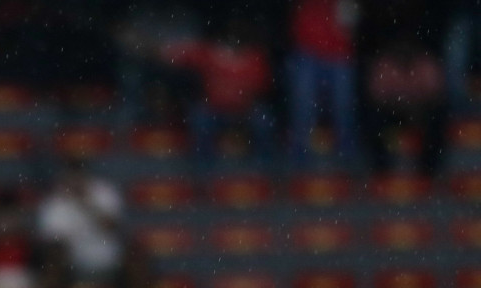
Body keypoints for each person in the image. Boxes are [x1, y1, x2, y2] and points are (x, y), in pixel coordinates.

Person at [35, 157, 153, 288]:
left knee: (138, 261)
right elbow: (51, 243)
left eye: (78, 176)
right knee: (50, 270)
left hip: (109, 256)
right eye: (71, 177)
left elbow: (114, 226)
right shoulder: (54, 203)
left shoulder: (104, 192)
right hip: (72, 261)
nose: (75, 181)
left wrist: (86, 203)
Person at [162, 20, 275, 162]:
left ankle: (263, 168)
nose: (235, 40)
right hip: (214, 110)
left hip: (246, 111)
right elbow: (175, 54)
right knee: (199, 120)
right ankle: (203, 170)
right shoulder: (210, 53)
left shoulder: (256, 57)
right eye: (232, 36)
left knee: (265, 122)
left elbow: (263, 88)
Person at [286, 0, 359, 163]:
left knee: (343, 109)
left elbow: (350, 22)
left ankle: (346, 161)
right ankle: (299, 160)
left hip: (339, 54)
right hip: (308, 51)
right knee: (304, 109)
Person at [366, 36, 448, 177]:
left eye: (408, 46)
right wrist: (400, 107)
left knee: (438, 121)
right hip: (392, 114)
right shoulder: (385, 63)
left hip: (420, 114)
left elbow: (436, 96)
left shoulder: (425, 62)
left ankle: (428, 171)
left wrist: (415, 109)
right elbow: (376, 98)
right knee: (373, 120)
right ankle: (382, 170)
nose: (405, 50)